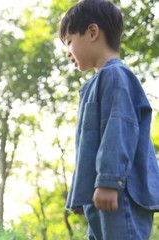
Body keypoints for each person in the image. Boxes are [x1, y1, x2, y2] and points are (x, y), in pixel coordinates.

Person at [59, 0, 159, 239]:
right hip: (99, 195)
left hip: (119, 191)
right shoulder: (95, 84)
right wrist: (81, 193)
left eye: (69, 41)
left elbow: (119, 128)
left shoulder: (115, 75)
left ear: (92, 32)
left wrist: (108, 181)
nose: (67, 52)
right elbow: (88, 146)